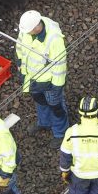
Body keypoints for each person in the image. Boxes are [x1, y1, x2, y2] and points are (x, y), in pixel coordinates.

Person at [16, 10, 68, 138]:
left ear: (36, 27)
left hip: (49, 83)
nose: (25, 33)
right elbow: (19, 47)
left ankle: (60, 134)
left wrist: (57, 87)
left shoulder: (54, 39)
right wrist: (19, 63)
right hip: (31, 79)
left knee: (56, 107)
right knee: (41, 102)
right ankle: (44, 123)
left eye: (28, 31)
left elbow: (59, 66)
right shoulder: (26, 30)